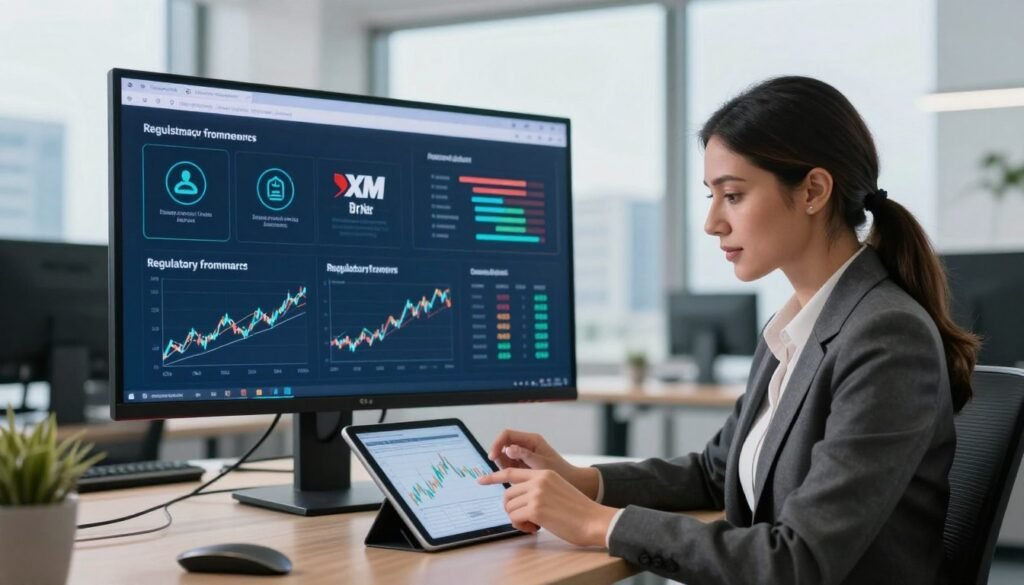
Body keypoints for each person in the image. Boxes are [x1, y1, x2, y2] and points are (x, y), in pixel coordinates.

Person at [478, 76, 980, 585]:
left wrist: (597, 523)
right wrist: (583, 481)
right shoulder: (794, 328)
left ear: (813, 191)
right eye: (711, 196)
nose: (712, 222)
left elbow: (797, 560)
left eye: (733, 195)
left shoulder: (885, 336)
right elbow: (715, 473)